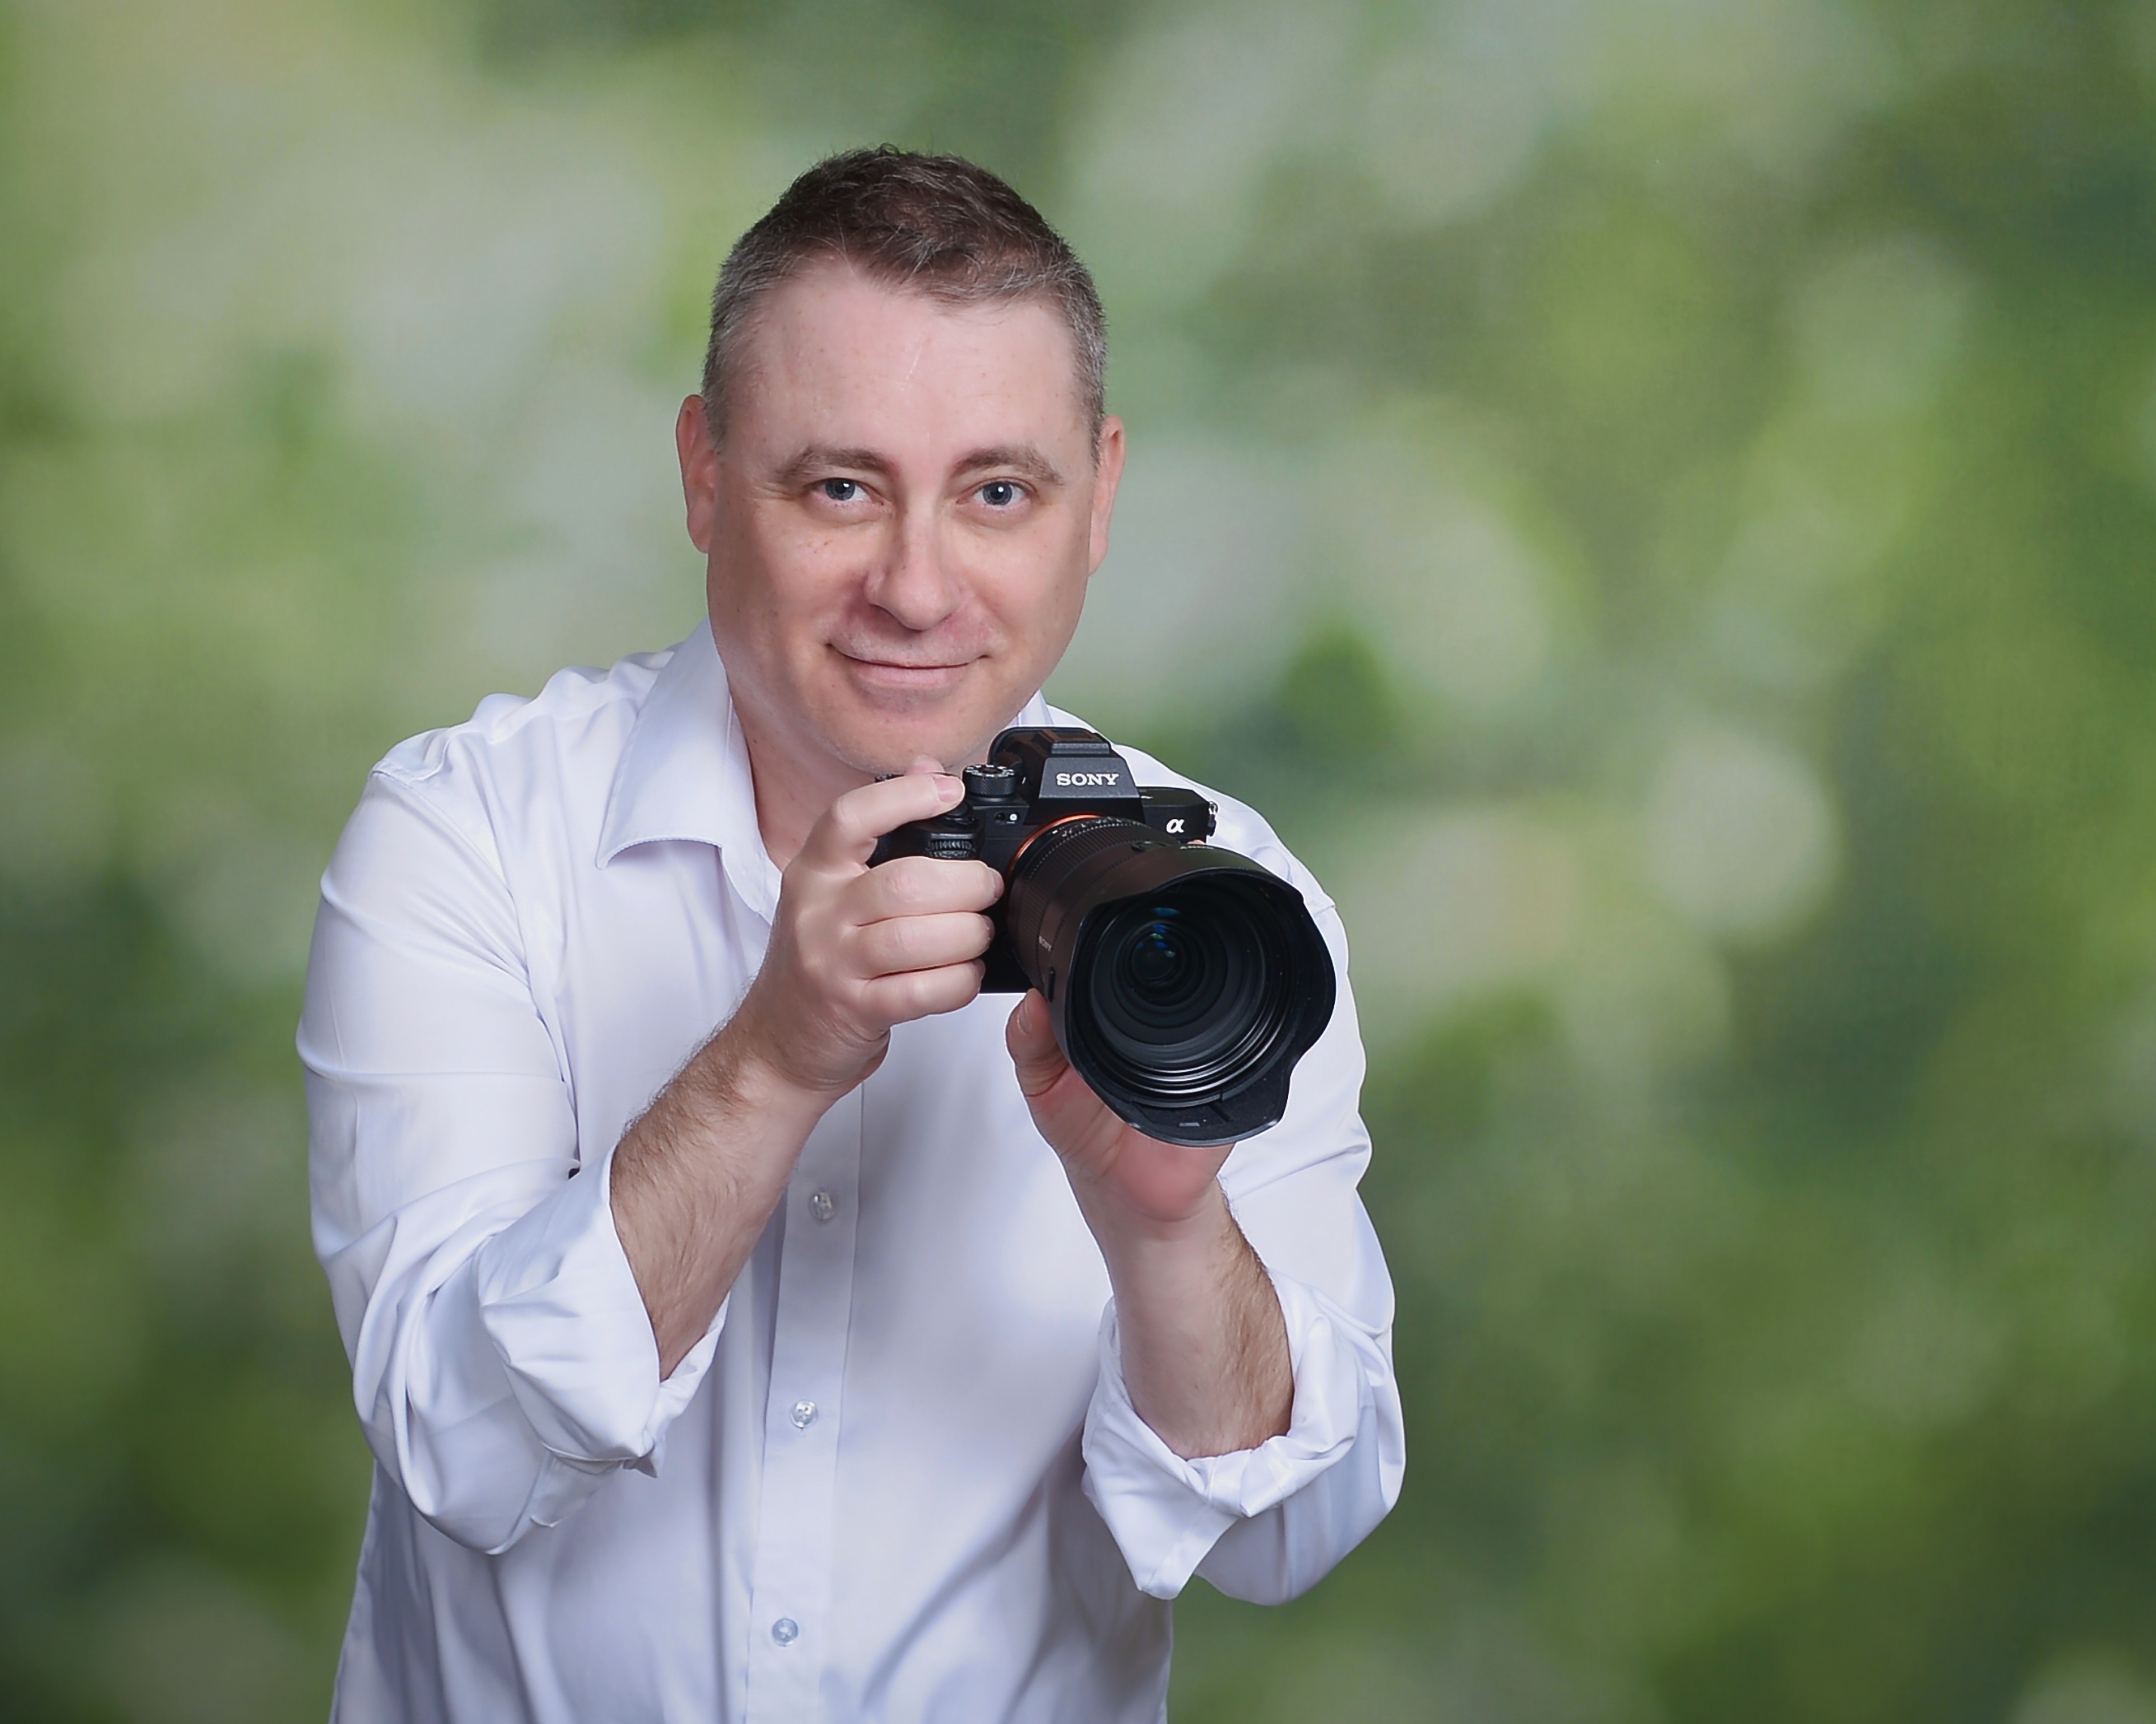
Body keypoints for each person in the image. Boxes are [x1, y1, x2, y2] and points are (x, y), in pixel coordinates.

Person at [301, 147, 1403, 1724]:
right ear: (703, 471)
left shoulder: (1222, 905)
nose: (917, 587)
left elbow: (1289, 1535)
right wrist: (771, 1058)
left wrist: (1166, 1227)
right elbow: (458, 1446)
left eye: (997, 492)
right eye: (839, 488)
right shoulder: (470, 833)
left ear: (1099, 496)